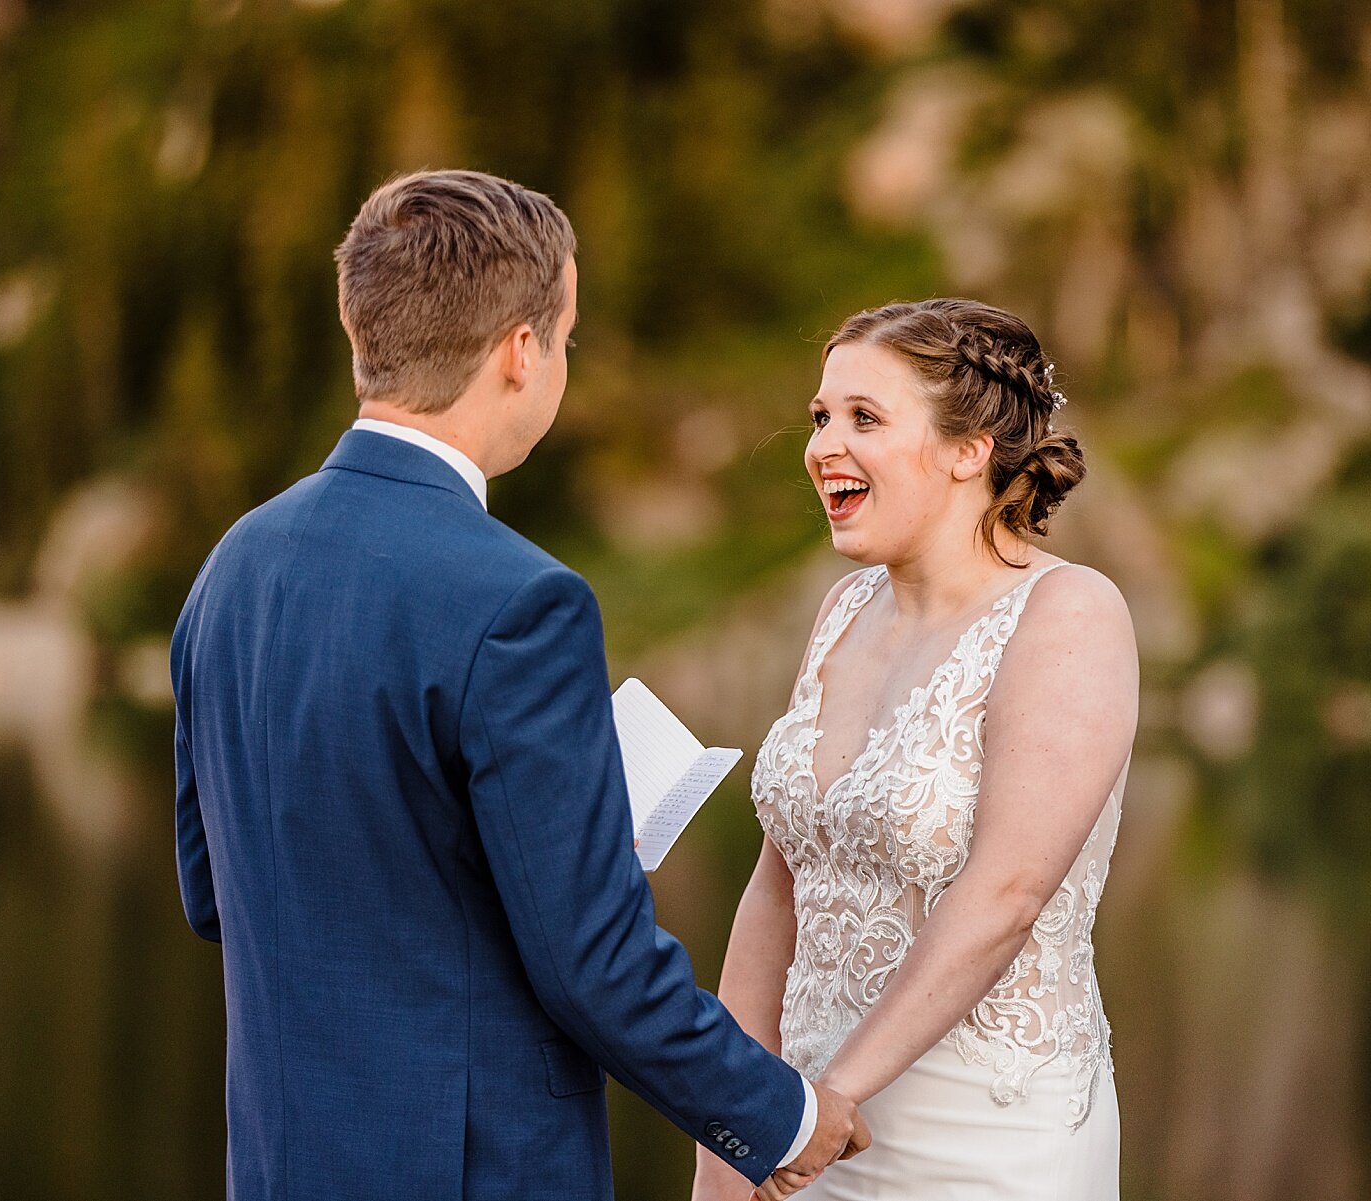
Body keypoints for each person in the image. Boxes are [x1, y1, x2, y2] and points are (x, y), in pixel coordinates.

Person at [171, 169, 868, 1201]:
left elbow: (212, 890)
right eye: (568, 339)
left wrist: (518, 850)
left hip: (279, 1164)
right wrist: (782, 1116)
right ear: (522, 350)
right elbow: (592, 963)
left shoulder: (231, 566)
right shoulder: (520, 600)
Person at [693, 300, 1138, 1201]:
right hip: (803, 1134)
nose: (822, 445)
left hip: (980, 1145)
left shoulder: (1070, 614)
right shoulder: (842, 613)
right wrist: (730, 1132)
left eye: (864, 417)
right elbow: (778, 886)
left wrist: (834, 1098)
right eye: (821, 417)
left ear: (969, 449)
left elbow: (1006, 895)